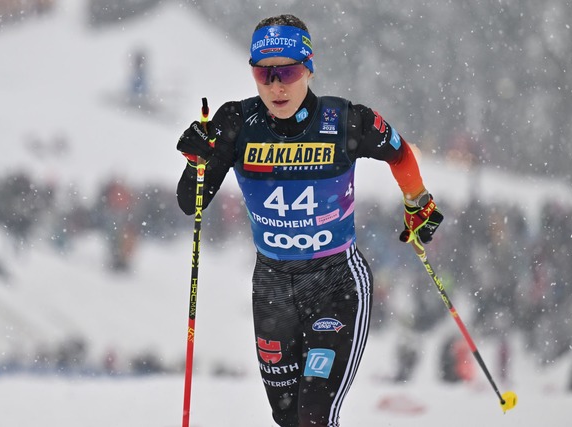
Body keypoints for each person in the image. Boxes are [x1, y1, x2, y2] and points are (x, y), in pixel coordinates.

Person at [175, 14, 443, 427]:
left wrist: (417, 200)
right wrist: (197, 161)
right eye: (264, 74)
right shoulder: (236, 123)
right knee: (287, 419)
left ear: (309, 68)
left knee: (315, 413)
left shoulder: (344, 121)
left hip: (336, 281)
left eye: (288, 71)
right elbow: (190, 203)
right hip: (272, 287)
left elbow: (399, 151)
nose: (276, 86)